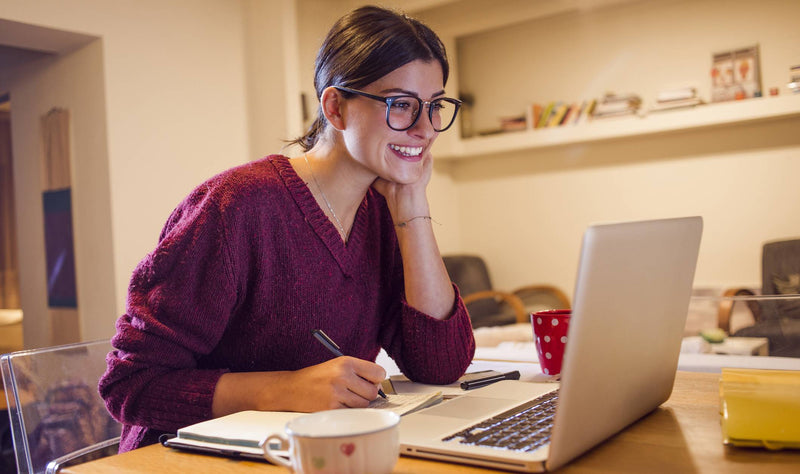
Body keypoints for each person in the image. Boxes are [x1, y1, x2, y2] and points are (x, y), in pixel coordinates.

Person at [99, 5, 475, 452]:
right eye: (400, 105)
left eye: (435, 107)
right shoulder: (235, 205)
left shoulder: (382, 211)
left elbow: (441, 365)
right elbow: (131, 385)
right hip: (185, 458)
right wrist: (282, 389)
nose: (424, 129)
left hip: (305, 455)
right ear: (335, 107)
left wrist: (412, 204)